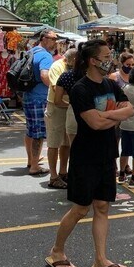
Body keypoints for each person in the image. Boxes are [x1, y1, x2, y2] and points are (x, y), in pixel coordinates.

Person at [46, 40, 134, 267]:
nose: (110, 59)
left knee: (103, 206)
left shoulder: (110, 84)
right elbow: (94, 123)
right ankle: (56, 251)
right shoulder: (80, 89)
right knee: (80, 208)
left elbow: (130, 110)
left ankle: (101, 260)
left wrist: (106, 115)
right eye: (106, 55)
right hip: (85, 156)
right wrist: (115, 116)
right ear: (92, 60)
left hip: (107, 154)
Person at [23, 30, 58, 176]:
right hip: (39, 97)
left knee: (30, 129)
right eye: (53, 39)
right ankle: (35, 166)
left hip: (28, 96)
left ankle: (32, 160)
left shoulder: (31, 52)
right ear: (44, 39)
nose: (55, 42)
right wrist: (55, 88)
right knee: (38, 132)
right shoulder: (45, 55)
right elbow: (45, 75)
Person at [45, 48, 76, 189]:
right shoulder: (57, 67)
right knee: (54, 142)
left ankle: (63, 172)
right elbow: (56, 88)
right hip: (56, 107)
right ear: (70, 59)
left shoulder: (73, 68)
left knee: (66, 143)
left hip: (69, 107)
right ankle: (53, 176)